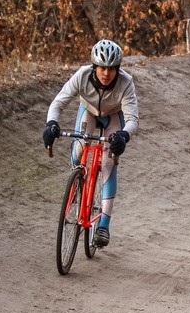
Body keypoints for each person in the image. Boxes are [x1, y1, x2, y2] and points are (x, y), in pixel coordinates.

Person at [42, 39, 139, 247]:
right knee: (78, 152)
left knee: (107, 164)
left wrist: (124, 135)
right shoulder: (82, 75)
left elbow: (132, 120)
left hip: (113, 117)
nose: (106, 73)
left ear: (118, 69)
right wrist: (51, 123)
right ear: (94, 67)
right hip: (89, 112)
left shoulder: (126, 82)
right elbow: (59, 102)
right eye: (102, 68)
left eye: (111, 69)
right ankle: (78, 182)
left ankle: (103, 225)